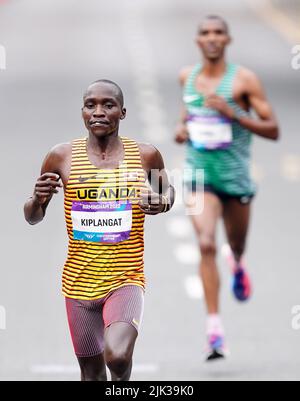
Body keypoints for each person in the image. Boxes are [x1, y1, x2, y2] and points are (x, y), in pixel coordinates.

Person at [24, 79, 175, 381]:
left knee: (117, 358)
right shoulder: (60, 156)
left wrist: (161, 202)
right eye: (90, 105)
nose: (99, 112)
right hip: (77, 285)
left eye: (108, 105)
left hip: (125, 279)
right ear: (82, 111)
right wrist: (38, 199)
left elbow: (168, 191)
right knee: (91, 374)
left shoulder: (146, 155)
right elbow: (32, 216)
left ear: (123, 112)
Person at [175, 15, 279, 361]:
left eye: (218, 33)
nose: (212, 38)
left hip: (235, 179)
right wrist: (182, 130)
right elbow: (186, 115)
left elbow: (273, 129)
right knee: (205, 243)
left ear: (228, 40)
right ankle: (215, 331)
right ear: (197, 41)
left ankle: (236, 262)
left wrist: (234, 115)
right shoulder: (187, 77)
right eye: (205, 33)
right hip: (198, 177)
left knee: (235, 244)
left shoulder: (244, 80)